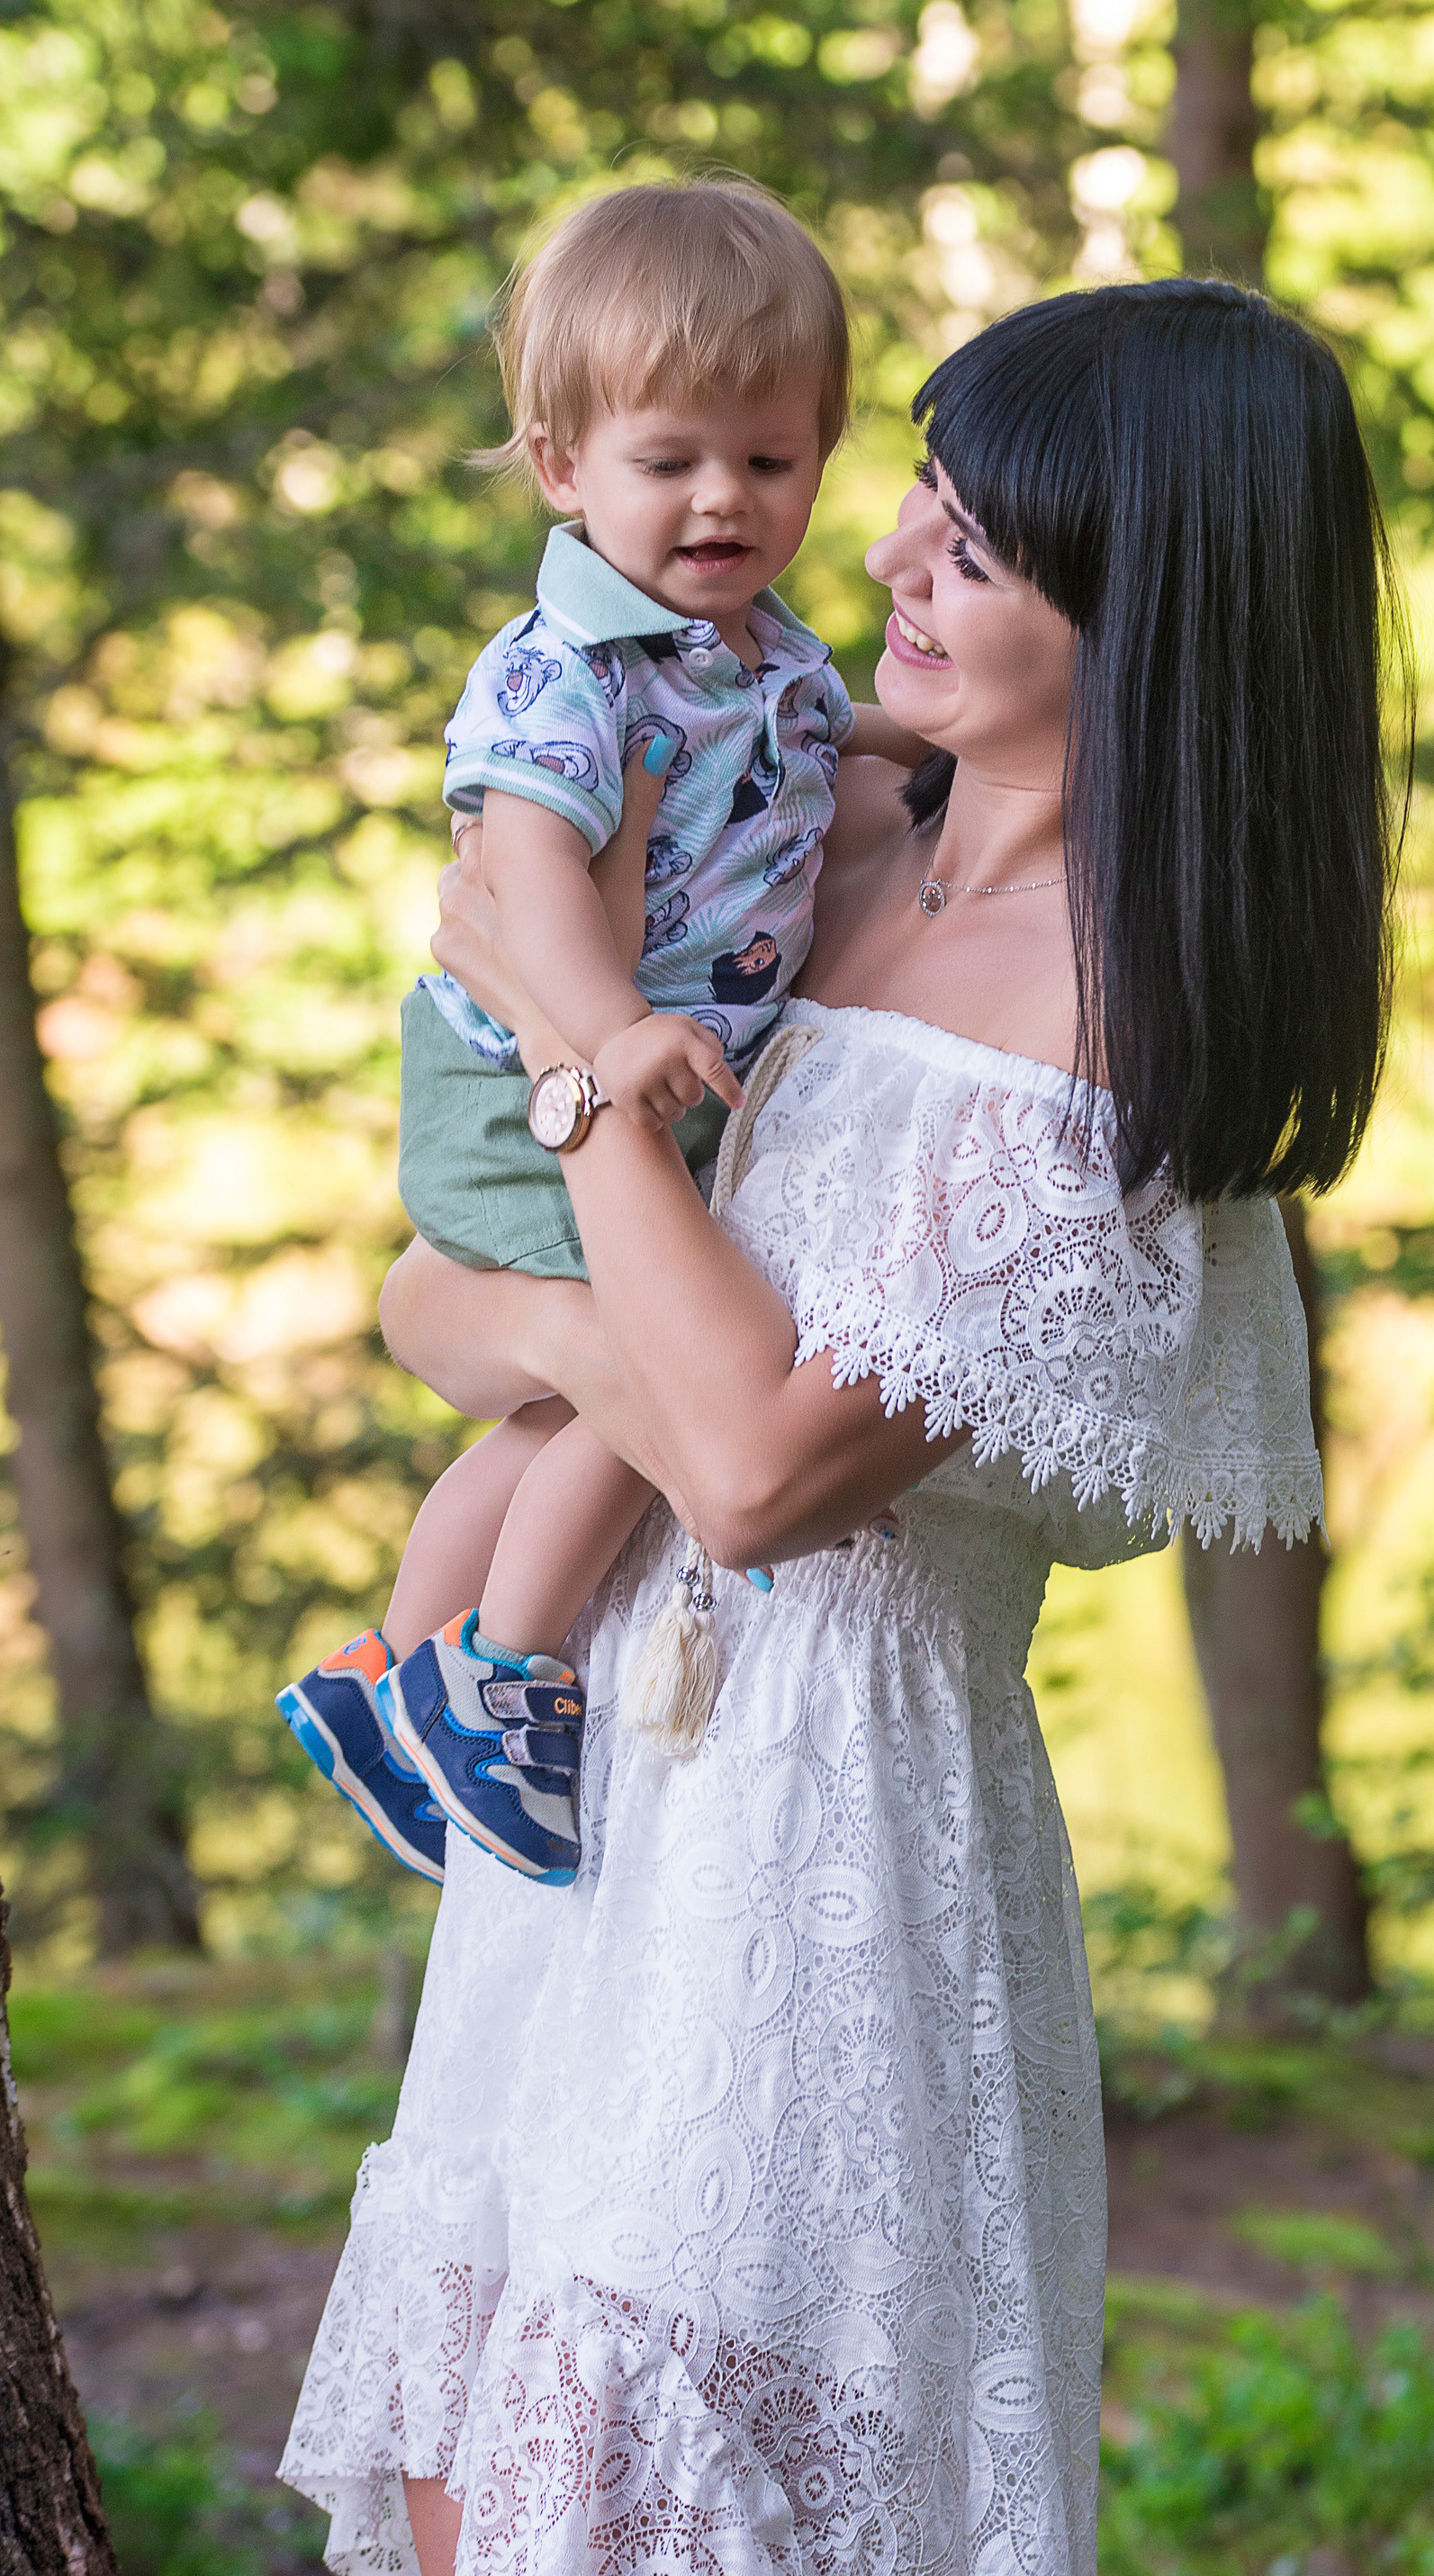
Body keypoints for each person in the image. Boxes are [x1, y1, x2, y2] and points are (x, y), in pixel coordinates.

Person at [280, 275, 1407, 2576]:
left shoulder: (1128, 1038)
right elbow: (433, 1300)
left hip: (822, 1875)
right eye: (917, 489)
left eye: (972, 548)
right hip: (582, 1807)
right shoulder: (809, 830)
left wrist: (575, 1057)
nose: (883, 553)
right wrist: (578, 1277)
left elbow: (759, 1474)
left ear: (1148, 617)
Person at [275, 178, 920, 1891]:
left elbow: (814, 734)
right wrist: (608, 1028)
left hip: (632, 1077)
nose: (725, 498)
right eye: (671, 459)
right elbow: (527, 876)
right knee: (641, 1392)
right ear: (563, 464)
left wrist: (909, 743)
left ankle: (389, 1671)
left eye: (771, 459)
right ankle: (497, 1672)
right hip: (526, 1081)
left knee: (566, 1409)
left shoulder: (758, 650)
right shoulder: (573, 671)